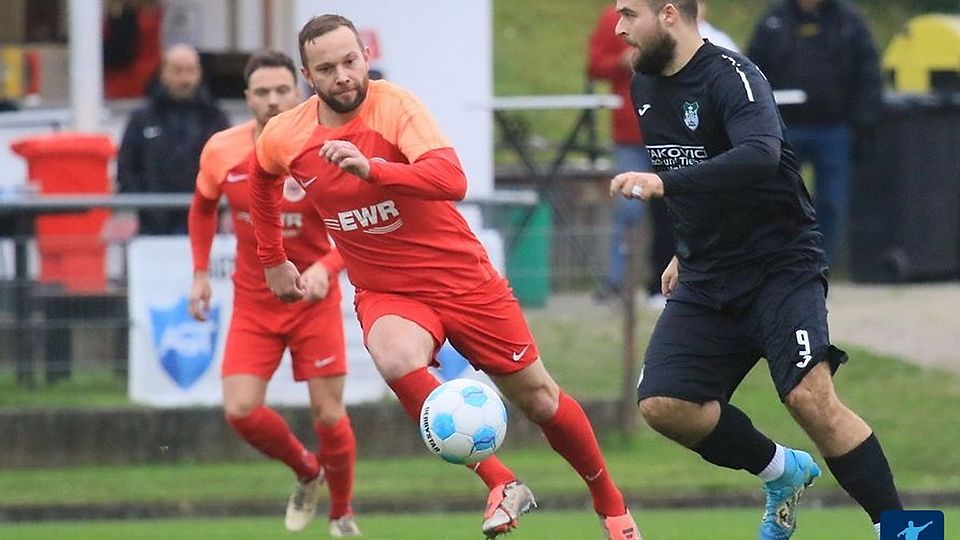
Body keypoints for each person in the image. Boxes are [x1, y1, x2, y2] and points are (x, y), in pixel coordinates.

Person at [248, 14, 641, 540]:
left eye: (349, 61)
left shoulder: (395, 106)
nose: (342, 75)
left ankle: (613, 509)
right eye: (326, 68)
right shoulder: (286, 134)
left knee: (540, 399)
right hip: (387, 289)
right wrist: (273, 258)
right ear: (307, 76)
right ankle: (501, 482)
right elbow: (261, 181)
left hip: (461, 279)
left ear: (365, 56)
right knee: (393, 357)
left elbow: (450, 179)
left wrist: (374, 169)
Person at [610, 1, 901, 538]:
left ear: (669, 13)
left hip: (778, 266)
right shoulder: (646, 87)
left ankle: (904, 529)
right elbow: (692, 167)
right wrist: (683, 248)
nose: (618, 27)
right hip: (707, 274)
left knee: (809, 398)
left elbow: (760, 154)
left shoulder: (734, 77)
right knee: (664, 404)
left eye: (629, 13)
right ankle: (781, 471)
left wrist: (664, 185)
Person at [187, 50, 359, 537]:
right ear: (247, 99)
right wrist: (200, 272)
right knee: (240, 409)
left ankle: (342, 514)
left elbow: (356, 224)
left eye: (282, 89)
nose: (272, 100)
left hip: (312, 300)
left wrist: (327, 266)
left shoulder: (325, 145)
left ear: (299, 90)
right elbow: (202, 207)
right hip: (254, 301)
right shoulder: (222, 149)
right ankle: (307, 470)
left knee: (329, 413)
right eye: (261, 92)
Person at [746, 0, 883, 266]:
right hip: (783, 129)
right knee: (776, 199)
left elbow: (868, 74)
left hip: (833, 128)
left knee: (831, 202)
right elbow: (753, 69)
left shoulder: (849, 22)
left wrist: (861, 122)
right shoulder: (774, 20)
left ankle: (819, 264)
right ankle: (779, 262)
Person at [587, 4, 661, 308]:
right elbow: (594, 65)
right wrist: (621, 61)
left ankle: (663, 284)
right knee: (628, 208)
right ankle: (617, 284)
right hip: (629, 134)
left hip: (667, 130)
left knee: (674, 209)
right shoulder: (611, 18)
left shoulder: (664, 13)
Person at [118, 43, 229, 235]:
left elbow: (229, 166)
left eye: (190, 70)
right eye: (178, 71)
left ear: (199, 73)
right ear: (163, 73)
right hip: (153, 230)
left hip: (206, 226)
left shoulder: (215, 117)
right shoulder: (142, 119)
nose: (185, 78)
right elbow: (126, 168)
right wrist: (145, 205)